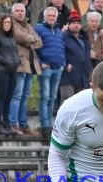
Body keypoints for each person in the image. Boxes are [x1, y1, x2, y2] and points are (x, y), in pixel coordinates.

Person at [9, 2, 42, 136]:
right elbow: (20, 37)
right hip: (19, 65)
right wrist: (31, 39)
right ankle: (13, 123)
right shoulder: (11, 25)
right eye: (17, 11)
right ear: (13, 13)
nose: (20, 13)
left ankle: (23, 124)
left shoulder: (28, 25)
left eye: (22, 11)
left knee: (25, 97)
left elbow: (40, 42)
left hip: (30, 65)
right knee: (16, 96)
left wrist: (30, 39)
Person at [35, 6, 65, 140]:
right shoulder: (39, 29)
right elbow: (34, 49)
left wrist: (63, 63)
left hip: (58, 68)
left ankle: (50, 123)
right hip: (46, 68)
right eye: (49, 16)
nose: (52, 18)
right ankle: (45, 124)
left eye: (54, 16)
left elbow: (62, 48)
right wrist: (40, 63)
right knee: (45, 96)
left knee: (52, 97)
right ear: (44, 16)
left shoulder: (58, 31)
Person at [0, 15, 20, 136]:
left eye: (9, 22)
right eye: (5, 22)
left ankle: (7, 124)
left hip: (13, 70)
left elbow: (15, 51)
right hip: (2, 70)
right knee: (1, 97)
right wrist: (5, 61)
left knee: (9, 98)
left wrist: (17, 61)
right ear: (1, 23)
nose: (7, 24)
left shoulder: (12, 37)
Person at [59, 10, 92, 105]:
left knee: (81, 104)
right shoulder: (63, 36)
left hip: (82, 76)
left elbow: (86, 56)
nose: (76, 25)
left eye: (78, 23)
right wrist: (65, 65)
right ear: (68, 25)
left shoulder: (84, 38)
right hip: (68, 76)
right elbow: (59, 52)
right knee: (67, 103)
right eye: (73, 23)